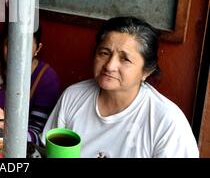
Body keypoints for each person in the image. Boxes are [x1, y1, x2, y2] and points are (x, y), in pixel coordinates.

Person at [41, 16, 199, 158]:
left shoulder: (167, 122)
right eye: (104, 53)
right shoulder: (74, 96)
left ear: (146, 71)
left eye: (125, 59)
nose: (110, 66)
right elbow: (47, 151)